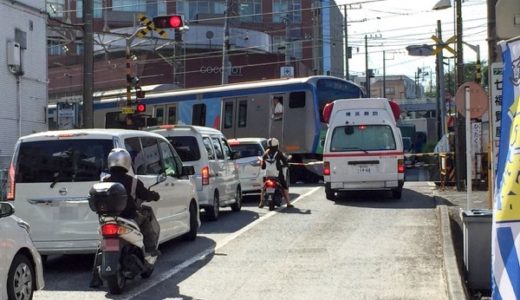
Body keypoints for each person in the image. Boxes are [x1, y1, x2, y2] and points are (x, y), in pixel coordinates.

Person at [90, 148, 160, 288]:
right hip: (129, 217)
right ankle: (150, 251)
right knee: (146, 222)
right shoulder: (133, 182)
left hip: (107, 219)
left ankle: (95, 278)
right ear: (127, 162)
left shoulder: (104, 181)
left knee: (102, 246)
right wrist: (154, 195)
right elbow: (146, 195)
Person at [259, 138, 293, 208]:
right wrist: (287, 163)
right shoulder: (278, 153)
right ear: (276, 145)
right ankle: (288, 203)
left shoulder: (265, 154)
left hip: (267, 174)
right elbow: (285, 162)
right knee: (284, 186)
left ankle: (261, 202)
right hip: (277, 175)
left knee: (263, 187)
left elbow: (263, 166)